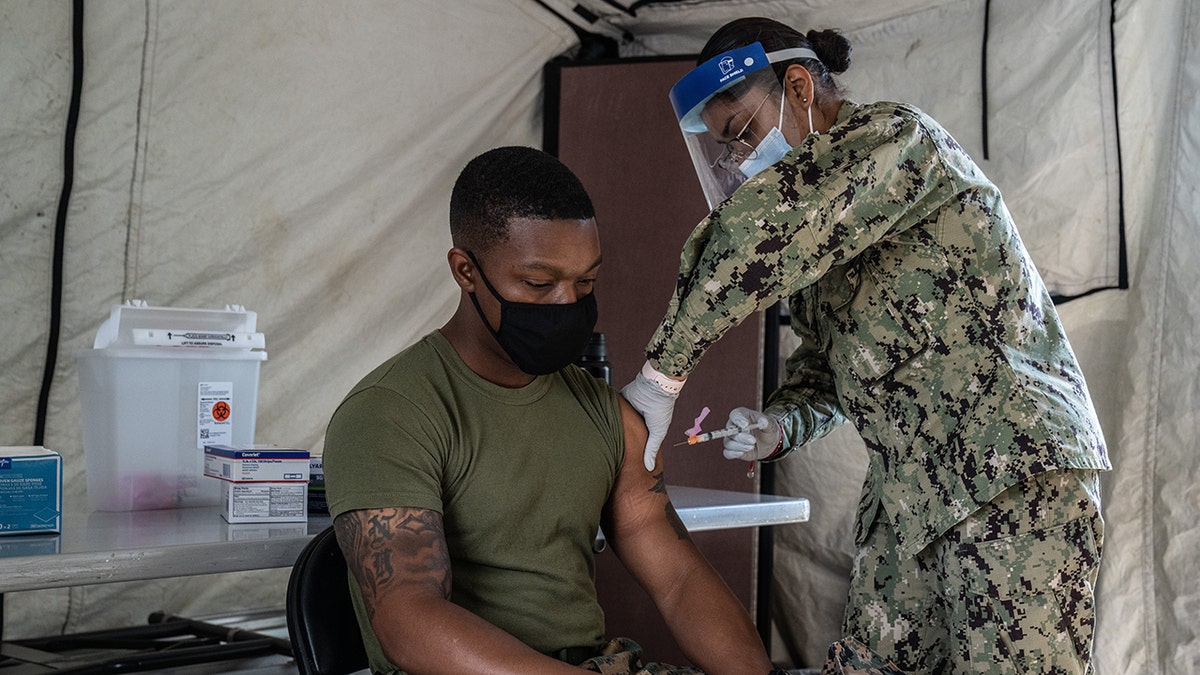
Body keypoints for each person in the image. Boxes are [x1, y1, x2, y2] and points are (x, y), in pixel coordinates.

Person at [619, 17, 1111, 675]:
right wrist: (781, 423)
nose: (738, 162)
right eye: (724, 149)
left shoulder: (890, 143)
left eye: (740, 134)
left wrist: (661, 377)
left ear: (799, 87)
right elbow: (831, 366)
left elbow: (757, 236)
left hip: (1006, 470)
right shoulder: (821, 222)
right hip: (912, 501)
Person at [322, 146, 777, 675]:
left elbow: (678, 581)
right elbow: (409, 620)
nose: (567, 303)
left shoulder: (604, 412)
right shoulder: (390, 413)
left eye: (585, 282)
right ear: (465, 271)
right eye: (538, 284)